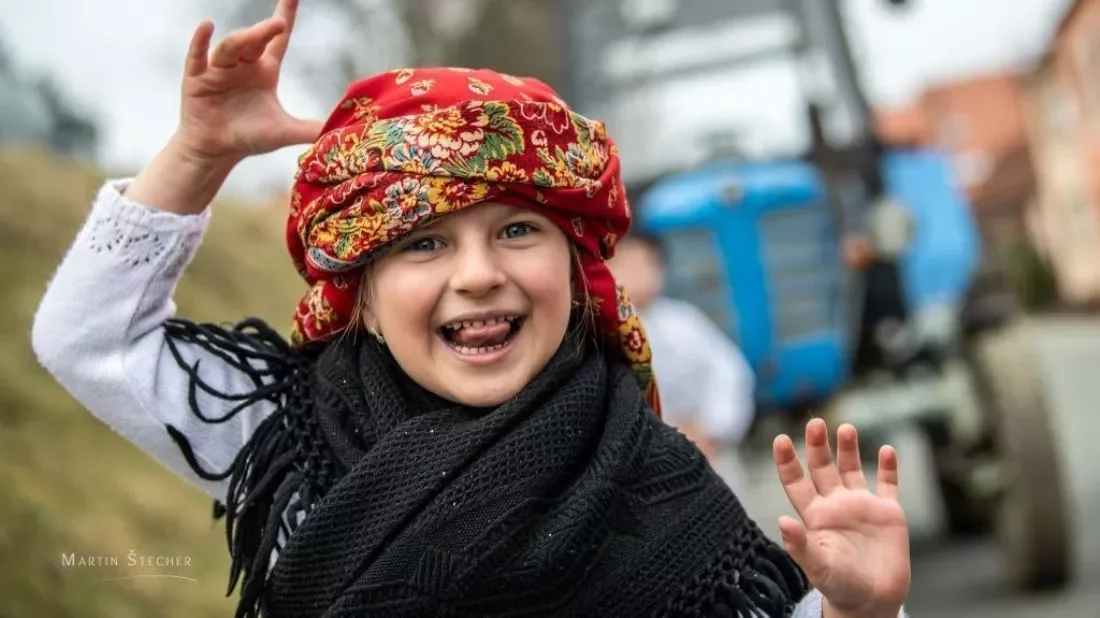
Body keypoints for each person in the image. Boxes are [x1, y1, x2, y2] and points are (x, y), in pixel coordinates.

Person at [31, 1, 911, 616]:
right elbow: (91, 338)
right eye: (423, 244)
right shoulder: (294, 442)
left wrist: (861, 611)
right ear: (363, 302)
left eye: (518, 230)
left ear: (578, 270)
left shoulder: (659, 489)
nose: (479, 274)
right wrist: (198, 154)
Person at [607, 230, 756, 465]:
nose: (640, 274)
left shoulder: (683, 320)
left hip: (706, 450)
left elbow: (731, 374)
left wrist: (710, 429)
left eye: (648, 263)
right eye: (628, 264)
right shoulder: (602, 332)